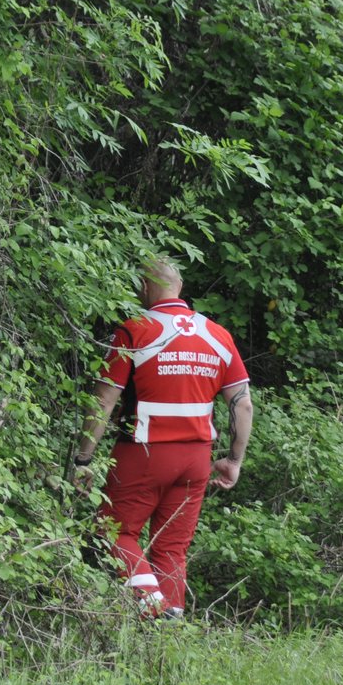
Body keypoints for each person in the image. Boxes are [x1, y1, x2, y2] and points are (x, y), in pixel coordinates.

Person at [72, 258, 253, 619]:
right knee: (171, 547)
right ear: (180, 287)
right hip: (197, 458)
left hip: (143, 453)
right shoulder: (218, 335)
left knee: (114, 532)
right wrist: (233, 461)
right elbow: (242, 405)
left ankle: (154, 612)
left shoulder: (134, 330)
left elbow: (105, 399)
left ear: (144, 288)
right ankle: (170, 634)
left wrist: (83, 459)